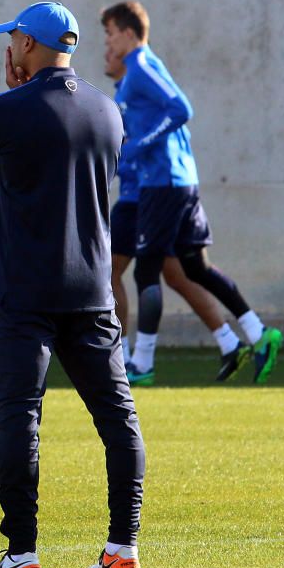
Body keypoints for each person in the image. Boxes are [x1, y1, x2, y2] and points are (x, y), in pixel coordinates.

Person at [0, 1, 145, 568]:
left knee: (19, 417)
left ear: (30, 46)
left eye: (13, 38)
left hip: (23, 292)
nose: (9, 46)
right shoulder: (108, 110)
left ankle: (22, 553)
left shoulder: (3, 109)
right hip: (91, 290)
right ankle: (123, 547)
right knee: (118, 418)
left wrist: (8, 96)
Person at [101, 1, 283, 385]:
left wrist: (141, 144)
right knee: (194, 269)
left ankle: (143, 363)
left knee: (149, 271)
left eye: (111, 33)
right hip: (176, 181)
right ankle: (256, 333)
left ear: (130, 33)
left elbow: (181, 108)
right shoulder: (136, 72)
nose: (108, 41)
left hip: (163, 183)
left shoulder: (141, 65)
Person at [103, 49, 233, 373]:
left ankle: (125, 357)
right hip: (148, 195)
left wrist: (118, 160)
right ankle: (230, 340)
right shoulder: (125, 96)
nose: (107, 53)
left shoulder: (138, 89)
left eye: (111, 41)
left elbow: (174, 117)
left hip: (141, 199)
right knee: (175, 274)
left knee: (111, 271)